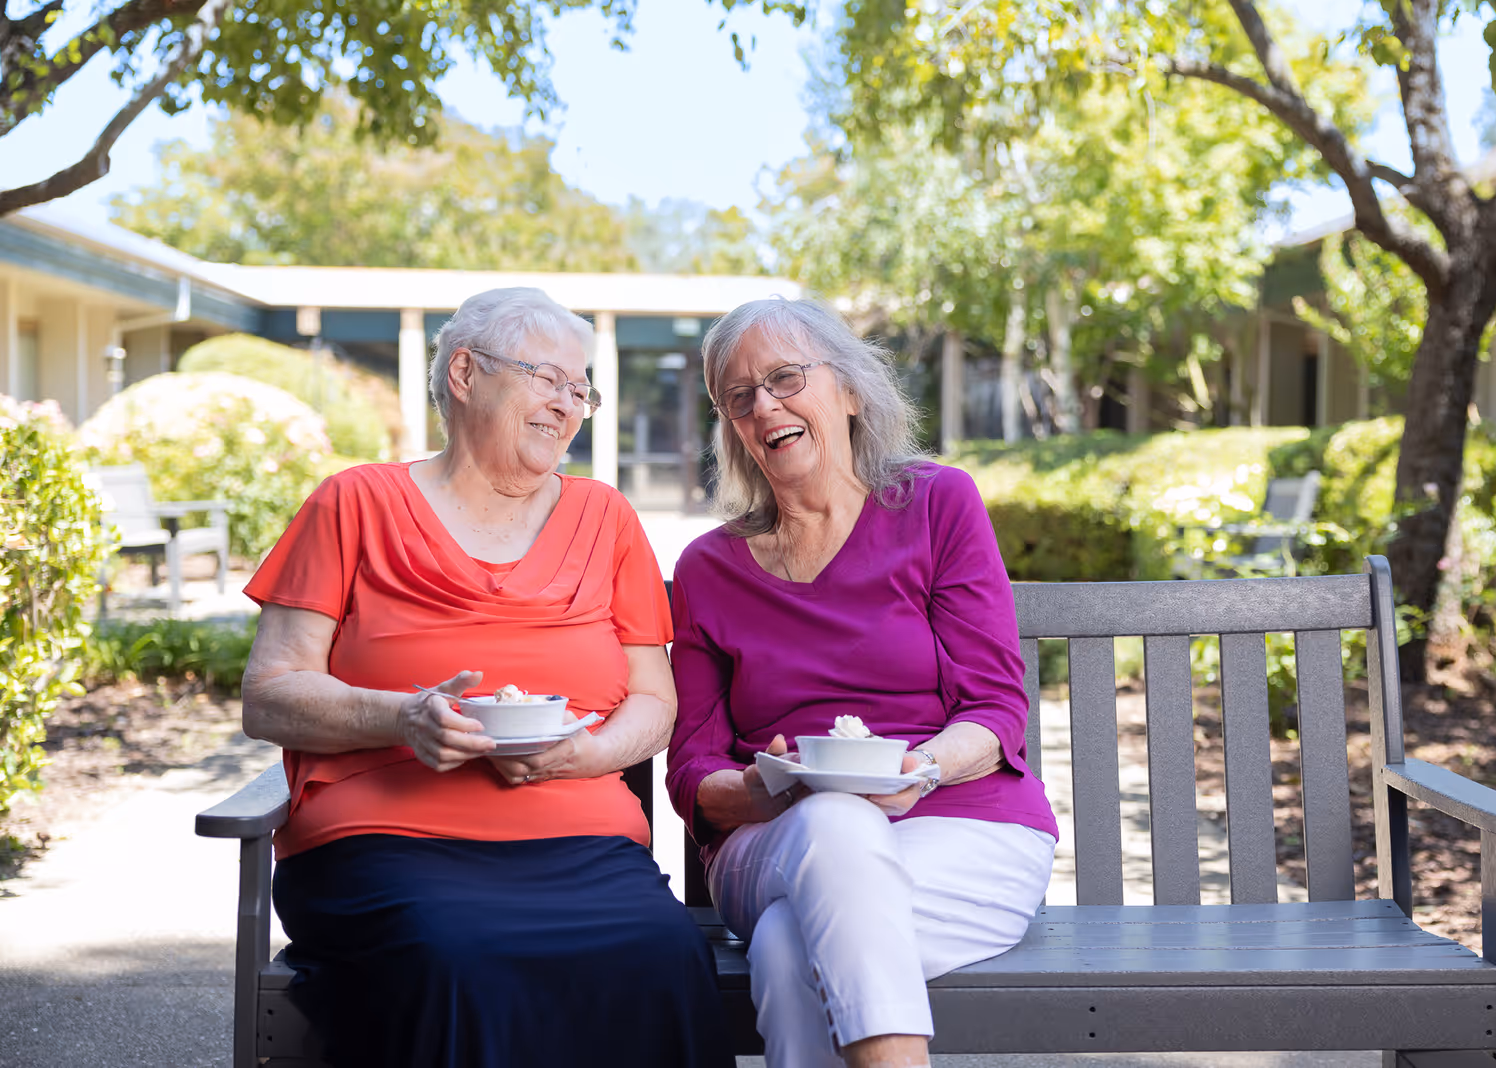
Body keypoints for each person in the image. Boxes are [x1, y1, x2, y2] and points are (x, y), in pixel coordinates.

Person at [241, 287, 732, 1068]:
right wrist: (400, 717)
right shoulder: (354, 502)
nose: (568, 406)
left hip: (579, 838)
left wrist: (584, 755)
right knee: (456, 961)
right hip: (386, 840)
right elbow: (268, 694)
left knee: (664, 956)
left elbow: (653, 698)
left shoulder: (605, 517)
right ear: (465, 373)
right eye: (549, 380)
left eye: (581, 390)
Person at [666, 297, 1059, 1068]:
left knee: (785, 946)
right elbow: (692, 768)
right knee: (836, 825)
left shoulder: (937, 506)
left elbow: (995, 708)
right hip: (772, 840)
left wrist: (923, 768)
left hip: (968, 829)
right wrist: (765, 789)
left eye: (783, 378)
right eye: (738, 397)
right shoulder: (709, 568)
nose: (764, 406)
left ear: (848, 389)